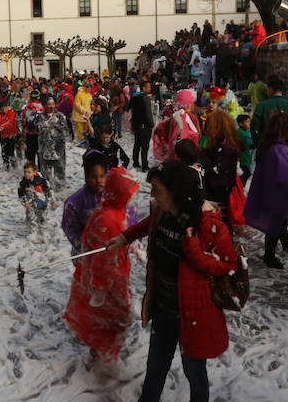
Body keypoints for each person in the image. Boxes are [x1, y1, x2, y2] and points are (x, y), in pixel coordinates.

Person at [106, 161, 238, 402]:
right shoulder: (163, 212)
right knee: (155, 369)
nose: (152, 194)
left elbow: (229, 266)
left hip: (193, 316)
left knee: (194, 372)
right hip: (164, 309)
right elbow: (149, 224)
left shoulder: (207, 225)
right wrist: (125, 237)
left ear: (176, 191)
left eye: (157, 188)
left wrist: (196, 254)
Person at [63, 167, 138, 363]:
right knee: (112, 317)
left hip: (113, 274)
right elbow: (104, 260)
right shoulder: (108, 218)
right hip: (109, 281)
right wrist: (102, 287)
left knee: (109, 318)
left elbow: (128, 231)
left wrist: (135, 245)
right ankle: (102, 359)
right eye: (128, 193)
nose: (131, 198)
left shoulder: (112, 207)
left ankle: (103, 355)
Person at [244, 110, 288, 269]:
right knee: (274, 225)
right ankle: (269, 257)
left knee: (278, 223)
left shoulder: (269, 145)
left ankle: (282, 245)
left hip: (270, 190)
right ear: (285, 126)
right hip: (278, 193)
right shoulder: (280, 149)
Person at [199, 109, 243, 228]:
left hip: (219, 190)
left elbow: (216, 169)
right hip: (218, 188)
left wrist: (201, 155)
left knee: (220, 221)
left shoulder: (226, 148)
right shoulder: (223, 144)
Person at [62, 150, 108, 258]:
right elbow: (69, 227)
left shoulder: (112, 196)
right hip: (86, 254)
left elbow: (126, 219)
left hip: (110, 252)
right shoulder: (74, 203)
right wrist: (83, 246)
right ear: (86, 177)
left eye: (102, 176)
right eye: (93, 177)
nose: (99, 181)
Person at [250, 77, 288, 151]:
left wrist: (259, 145)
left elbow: (254, 129)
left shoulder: (261, 107)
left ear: (270, 89)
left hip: (267, 148)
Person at [37, 97, 72, 189]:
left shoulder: (60, 116)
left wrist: (57, 124)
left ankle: (60, 192)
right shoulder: (40, 116)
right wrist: (47, 123)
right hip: (44, 149)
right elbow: (38, 128)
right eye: (49, 104)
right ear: (45, 105)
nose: (51, 106)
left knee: (59, 172)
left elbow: (66, 132)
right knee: (45, 174)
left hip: (58, 149)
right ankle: (46, 191)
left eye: (52, 104)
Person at [18, 161, 55, 227]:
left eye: (29, 172)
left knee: (42, 222)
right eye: (25, 172)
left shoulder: (41, 180)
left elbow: (48, 191)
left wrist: (52, 201)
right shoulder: (23, 183)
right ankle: (32, 235)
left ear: (34, 172)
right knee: (30, 222)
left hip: (43, 203)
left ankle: (43, 234)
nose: (26, 174)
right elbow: (21, 195)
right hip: (30, 203)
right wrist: (25, 204)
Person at [166, 89, 200, 161]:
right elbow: (179, 141)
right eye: (192, 102)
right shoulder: (182, 118)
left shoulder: (180, 115)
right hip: (183, 160)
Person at [130, 79, 156, 171]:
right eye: (148, 87)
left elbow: (131, 110)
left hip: (136, 125)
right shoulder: (145, 98)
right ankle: (144, 165)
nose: (149, 89)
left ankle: (136, 162)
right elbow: (148, 114)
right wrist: (152, 124)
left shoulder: (134, 97)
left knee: (136, 145)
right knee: (145, 147)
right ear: (143, 88)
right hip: (145, 126)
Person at [0, 101, 18, 169]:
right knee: (4, 152)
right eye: (2, 109)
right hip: (3, 136)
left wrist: (1, 127)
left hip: (11, 135)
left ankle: (14, 166)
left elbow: (10, 121)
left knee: (11, 151)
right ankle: (6, 166)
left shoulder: (11, 112)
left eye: (5, 108)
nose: (4, 110)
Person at [236, 114, 253, 186]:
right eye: (247, 122)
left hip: (244, 157)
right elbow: (251, 145)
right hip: (243, 158)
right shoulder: (243, 134)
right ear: (241, 124)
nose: (249, 124)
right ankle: (241, 186)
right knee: (247, 173)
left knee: (246, 173)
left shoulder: (240, 131)